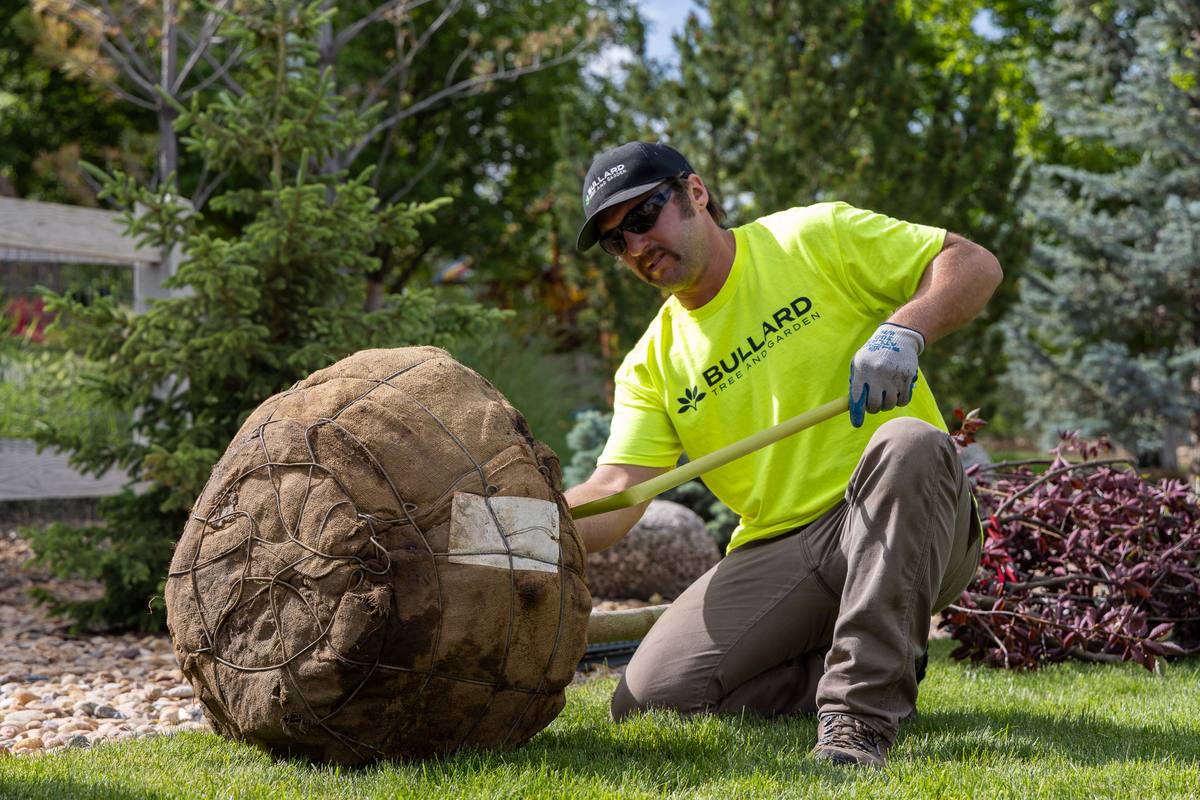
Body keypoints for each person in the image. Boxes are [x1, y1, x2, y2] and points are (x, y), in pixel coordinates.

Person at [564, 141, 1002, 768]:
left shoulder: (813, 237)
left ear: (694, 192)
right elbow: (619, 486)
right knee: (651, 700)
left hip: (907, 513)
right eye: (615, 241)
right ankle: (870, 651)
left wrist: (907, 329)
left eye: (641, 217)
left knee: (909, 442)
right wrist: (538, 520)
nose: (635, 246)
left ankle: (857, 721)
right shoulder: (651, 363)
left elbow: (973, 263)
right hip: (781, 546)